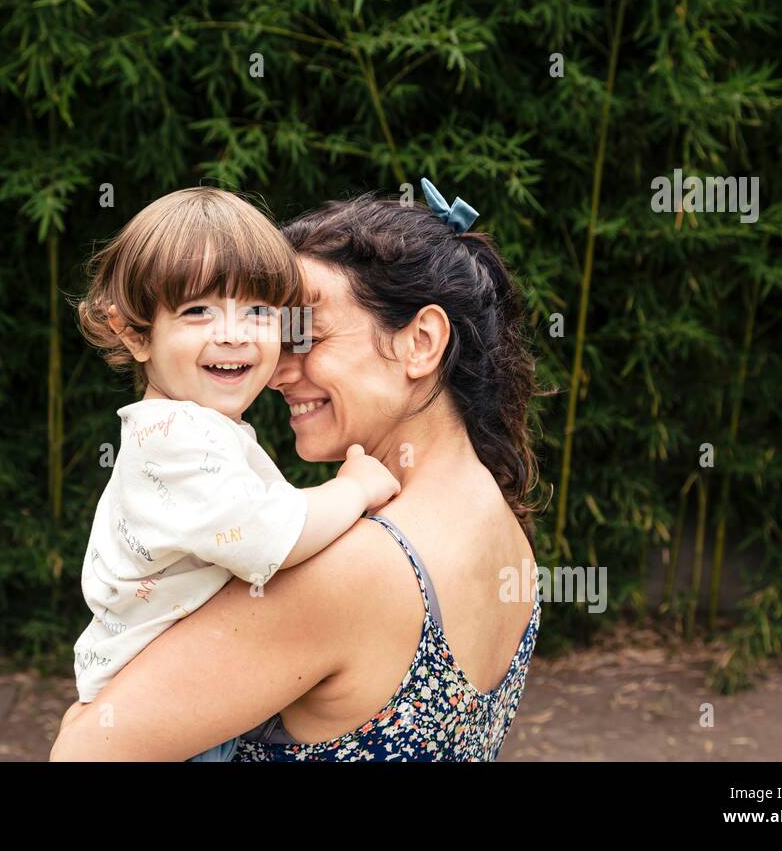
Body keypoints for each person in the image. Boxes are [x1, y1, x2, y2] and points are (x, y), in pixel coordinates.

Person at [51, 179, 542, 761]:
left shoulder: (356, 569)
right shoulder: (506, 532)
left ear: (421, 342)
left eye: (303, 335)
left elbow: (88, 750)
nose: (277, 370)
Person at [70, 186, 400, 762]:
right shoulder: (177, 439)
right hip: (166, 722)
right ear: (134, 333)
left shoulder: (190, 430)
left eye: (258, 310)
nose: (234, 332)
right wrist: (352, 490)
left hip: (182, 699)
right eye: (198, 311)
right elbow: (268, 536)